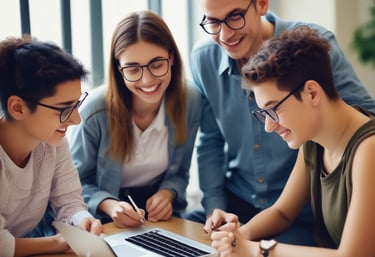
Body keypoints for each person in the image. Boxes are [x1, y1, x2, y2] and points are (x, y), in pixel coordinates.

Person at [185, 0, 375, 245]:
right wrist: (236, 235)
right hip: (245, 202)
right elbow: (210, 141)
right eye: (213, 22)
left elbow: (361, 117)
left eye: (234, 17)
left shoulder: (347, 141)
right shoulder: (311, 139)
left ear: (262, 4)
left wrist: (256, 250)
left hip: (304, 220)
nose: (225, 34)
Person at [68, 10, 201, 228]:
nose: (147, 80)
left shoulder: (191, 101)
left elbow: (180, 172)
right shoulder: (93, 110)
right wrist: (109, 205)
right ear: (119, 70)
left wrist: (168, 193)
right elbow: (73, 184)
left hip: (161, 219)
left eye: (157, 64)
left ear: (172, 58)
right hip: (104, 221)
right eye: (133, 69)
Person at [0, 36, 103, 257]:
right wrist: (57, 243)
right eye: (64, 108)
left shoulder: (52, 143)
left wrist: (81, 221)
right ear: (18, 108)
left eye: (76, 104)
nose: (76, 119)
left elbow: (69, 201)